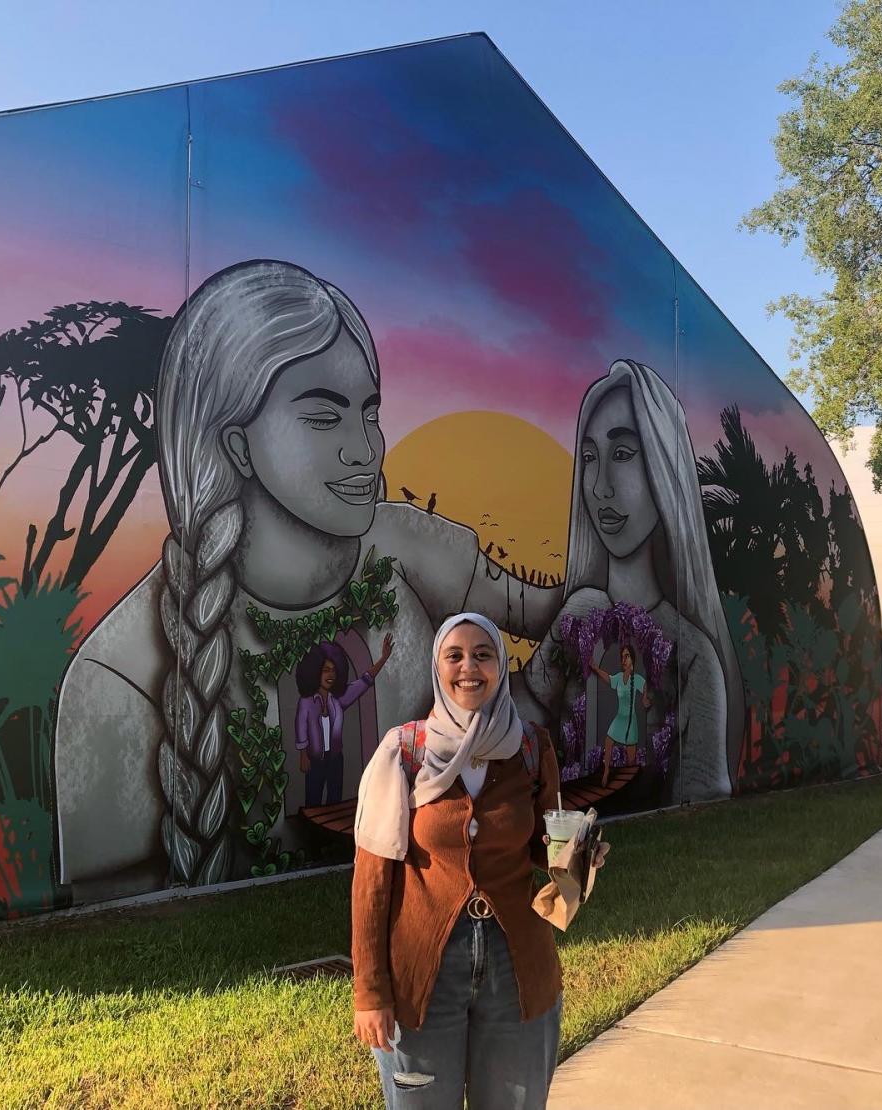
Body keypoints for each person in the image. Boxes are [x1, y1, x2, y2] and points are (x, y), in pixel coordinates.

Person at [54, 260, 564, 898]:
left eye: (369, 413)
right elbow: (114, 912)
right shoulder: (119, 676)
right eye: (325, 419)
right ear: (238, 445)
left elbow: (544, 617)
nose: (365, 448)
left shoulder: (410, 547)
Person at [352, 612, 562, 1109]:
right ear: (437, 667)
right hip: (423, 976)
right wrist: (371, 993)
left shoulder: (531, 747)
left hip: (517, 971)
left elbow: (548, 846)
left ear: (500, 666)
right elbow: (370, 883)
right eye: (455, 655)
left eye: (483, 654)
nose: (469, 667)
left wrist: (579, 857)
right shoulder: (403, 752)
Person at [523, 359, 744, 804]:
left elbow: (701, 791)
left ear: (665, 468)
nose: (600, 485)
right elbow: (520, 718)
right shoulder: (579, 611)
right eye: (589, 458)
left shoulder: (695, 654)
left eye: (622, 454)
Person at [295, 633, 394, 807]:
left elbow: (364, 681)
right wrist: (303, 755)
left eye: (333, 670)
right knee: (312, 803)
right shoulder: (306, 702)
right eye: (326, 670)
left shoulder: (338, 700)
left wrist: (383, 658)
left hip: (335, 760)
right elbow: (301, 727)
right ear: (315, 671)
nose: (330, 674)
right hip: (314, 761)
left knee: (335, 801)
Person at [590, 643, 650, 787]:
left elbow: (645, 685)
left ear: (632, 661)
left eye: (627, 656)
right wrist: (596, 668)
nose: (623, 660)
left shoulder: (636, 680)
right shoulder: (618, 678)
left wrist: (645, 698)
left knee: (631, 761)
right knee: (608, 741)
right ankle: (606, 771)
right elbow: (608, 678)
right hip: (619, 719)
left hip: (631, 721)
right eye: (622, 657)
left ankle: (629, 785)